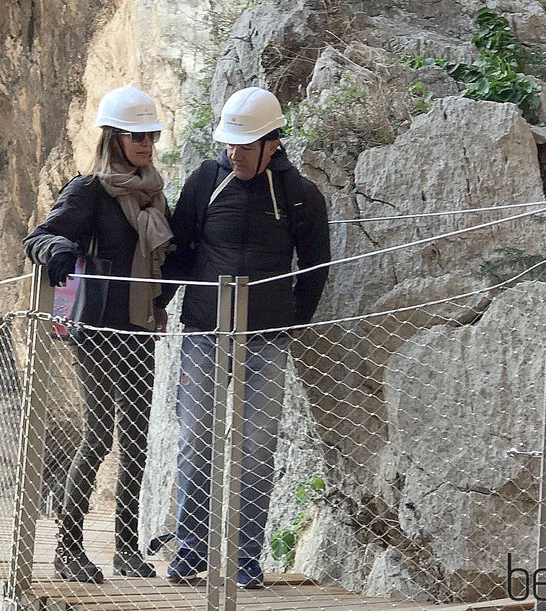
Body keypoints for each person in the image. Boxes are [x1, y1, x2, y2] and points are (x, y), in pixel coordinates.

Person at [157, 86, 330, 589]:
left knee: (256, 447)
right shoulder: (205, 181)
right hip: (205, 330)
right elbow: (181, 250)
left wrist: (289, 320)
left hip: (267, 337)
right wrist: (163, 307)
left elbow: (315, 267)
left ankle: (245, 558)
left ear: (272, 142)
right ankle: (191, 550)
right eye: (229, 144)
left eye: (245, 145)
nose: (234, 153)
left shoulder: (300, 195)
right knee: (195, 439)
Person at [22, 85, 171, 583]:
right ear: (114, 137)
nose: (146, 143)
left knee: (137, 439)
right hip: (97, 329)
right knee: (99, 436)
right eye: (136, 135)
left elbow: (161, 260)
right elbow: (40, 236)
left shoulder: (153, 190)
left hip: (139, 327)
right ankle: (67, 549)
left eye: (150, 134)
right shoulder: (89, 189)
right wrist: (58, 250)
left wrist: (164, 300)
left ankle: (125, 548)